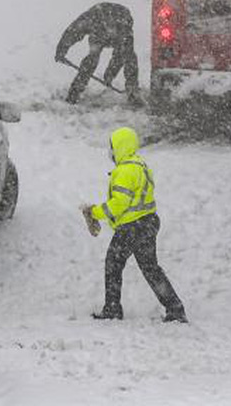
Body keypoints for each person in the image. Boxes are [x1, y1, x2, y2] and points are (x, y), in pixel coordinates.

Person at [82, 126, 186, 322]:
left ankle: (112, 309)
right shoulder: (141, 166)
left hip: (132, 227)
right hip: (148, 223)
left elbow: (119, 203)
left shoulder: (125, 170)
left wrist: (94, 212)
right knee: (150, 268)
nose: (110, 153)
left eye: (112, 148)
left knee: (113, 265)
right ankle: (175, 308)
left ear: (120, 147)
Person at [55, 2, 141, 105]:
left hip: (118, 25)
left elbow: (121, 56)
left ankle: (132, 92)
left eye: (112, 29)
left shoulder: (124, 27)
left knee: (128, 56)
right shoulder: (91, 20)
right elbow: (73, 31)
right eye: (108, 28)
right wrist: (61, 50)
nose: (110, 31)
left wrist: (109, 75)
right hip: (99, 29)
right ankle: (75, 92)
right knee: (92, 59)